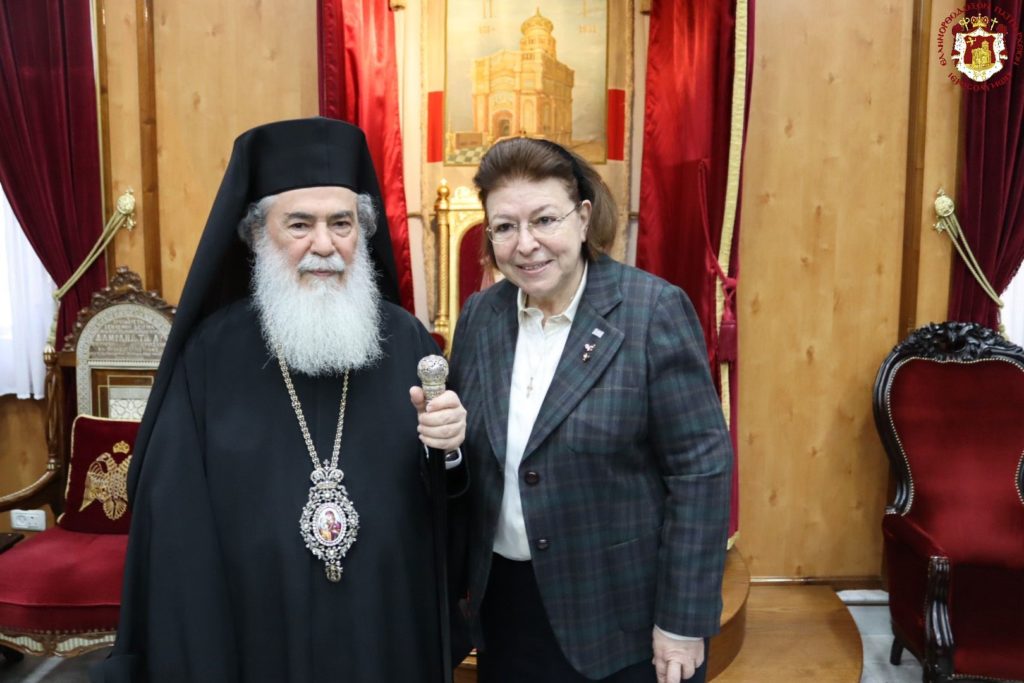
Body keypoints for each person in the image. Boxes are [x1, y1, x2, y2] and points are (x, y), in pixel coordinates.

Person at [92, 118, 468, 682]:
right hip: (250, 630)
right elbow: (172, 519)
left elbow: (442, 500)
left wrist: (450, 448)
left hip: (382, 624)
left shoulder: (406, 339)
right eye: (299, 224)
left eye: (341, 223)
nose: (324, 245)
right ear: (255, 233)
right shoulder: (209, 355)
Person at [447, 137, 732, 683]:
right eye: (505, 227)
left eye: (544, 220)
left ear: (582, 218)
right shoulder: (482, 316)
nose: (525, 244)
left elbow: (701, 470)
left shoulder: (651, 311)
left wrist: (681, 621)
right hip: (507, 608)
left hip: (620, 614)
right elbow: (478, 458)